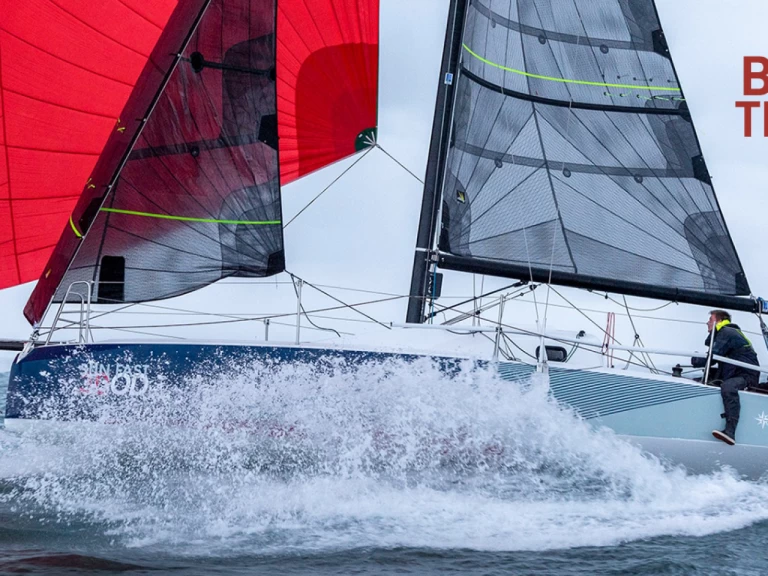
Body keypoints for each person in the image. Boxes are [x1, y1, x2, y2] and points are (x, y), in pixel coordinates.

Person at [691, 310, 760, 445]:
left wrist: (695, 360)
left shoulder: (726, 332)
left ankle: (730, 431)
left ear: (719, 321)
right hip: (735, 372)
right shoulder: (725, 333)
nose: (707, 323)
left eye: (710, 320)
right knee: (704, 379)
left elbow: (712, 357)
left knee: (728, 387)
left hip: (747, 375)